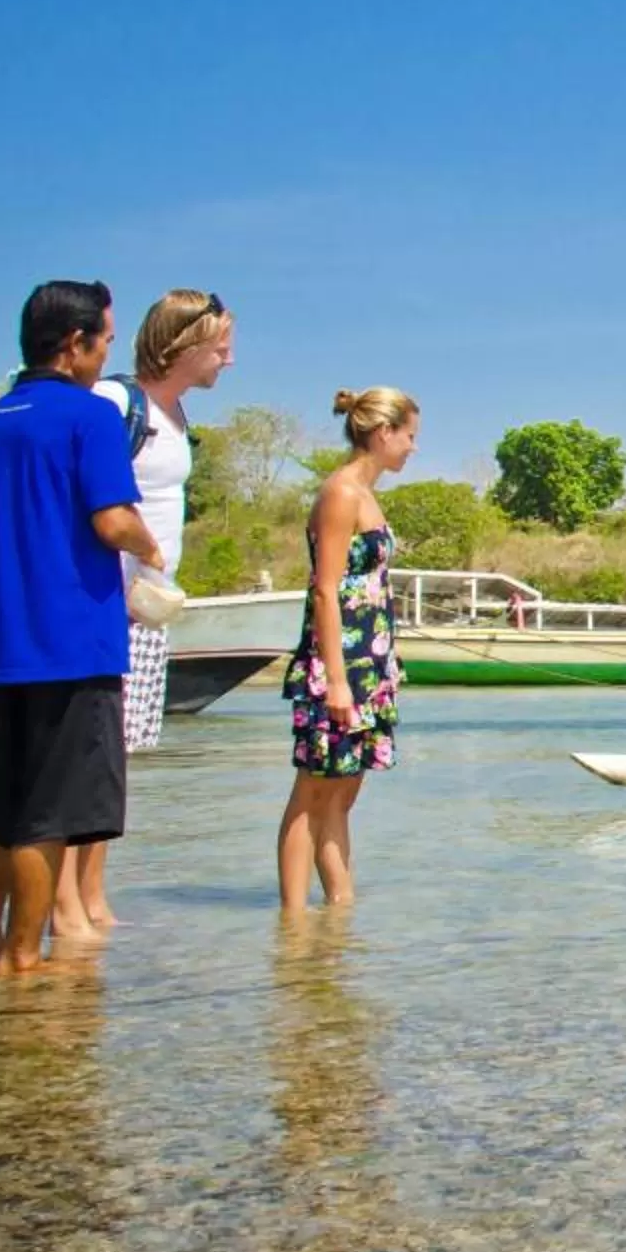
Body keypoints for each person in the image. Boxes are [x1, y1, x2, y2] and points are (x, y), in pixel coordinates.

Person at [0, 281, 161, 975]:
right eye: (104, 341)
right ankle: (26, 962)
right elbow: (110, 520)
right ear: (74, 344)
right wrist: (149, 544)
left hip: (0, 645)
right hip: (71, 644)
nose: (107, 354)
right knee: (49, 815)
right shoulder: (89, 417)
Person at [50, 288, 236, 942]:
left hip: (148, 611)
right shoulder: (116, 404)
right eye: (222, 345)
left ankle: (93, 892)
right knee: (89, 753)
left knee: (118, 756)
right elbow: (84, 503)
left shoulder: (177, 413)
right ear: (186, 342)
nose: (229, 360)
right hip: (107, 609)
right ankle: (63, 899)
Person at [277, 386, 416, 910]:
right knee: (312, 792)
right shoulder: (341, 492)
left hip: (371, 664)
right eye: (409, 436)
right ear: (384, 433)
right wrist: (335, 680)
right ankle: (292, 921)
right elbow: (326, 588)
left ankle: (339, 907)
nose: (412, 448)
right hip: (340, 663)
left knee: (343, 793)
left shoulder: (368, 493)